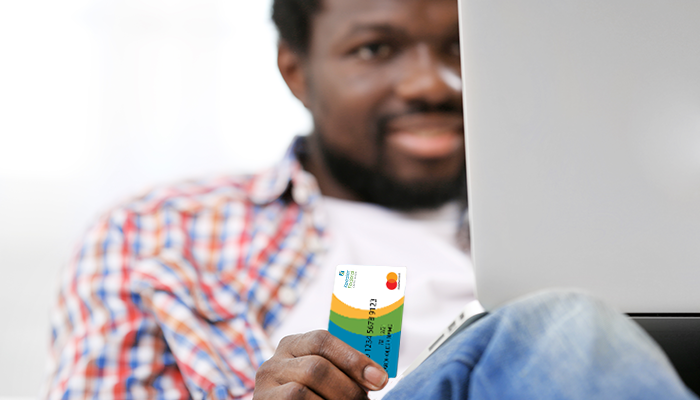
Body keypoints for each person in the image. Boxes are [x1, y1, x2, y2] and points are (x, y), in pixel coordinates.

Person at [42, 0, 697, 399]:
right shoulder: (159, 232)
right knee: (564, 322)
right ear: (295, 70)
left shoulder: (594, 219)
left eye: (460, 49)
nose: (431, 84)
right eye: (375, 49)